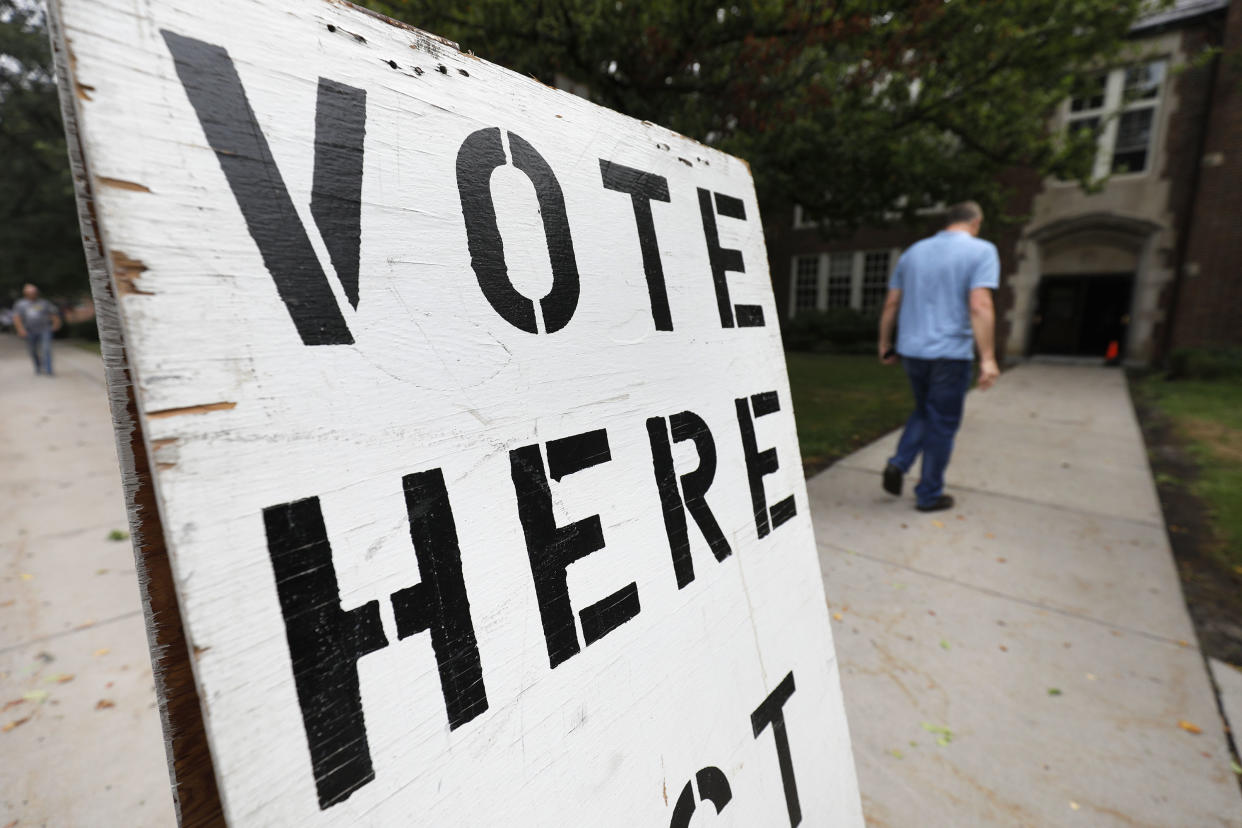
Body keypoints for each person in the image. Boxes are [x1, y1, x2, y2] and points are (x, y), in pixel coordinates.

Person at [877, 201, 1000, 512]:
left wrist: (884, 342)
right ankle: (929, 494)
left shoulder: (913, 252)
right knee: (942, 423)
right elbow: (980, 305)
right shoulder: (981, 250)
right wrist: (987, 357)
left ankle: (900, 462)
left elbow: (892, 303)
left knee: (924, 409)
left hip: (913, 351)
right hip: (950, 353)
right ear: (976, 222)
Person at [13, 283, 62, 376]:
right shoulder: (21, 304)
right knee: (33, 350)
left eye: (35, 292)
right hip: (29, 331)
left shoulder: (44, 303)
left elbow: (53, 314)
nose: (33, 294)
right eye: (31, 293)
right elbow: (17, 318)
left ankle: (49, 370)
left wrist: (56, 324)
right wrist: (20, 329)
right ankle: (38, 366)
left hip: (45, 329)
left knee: (46, 349)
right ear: (26, 294)